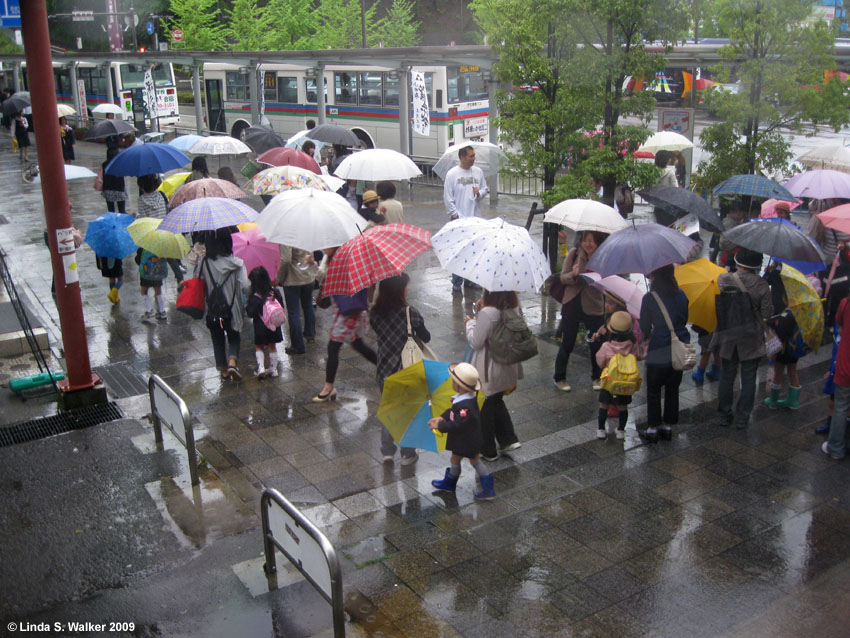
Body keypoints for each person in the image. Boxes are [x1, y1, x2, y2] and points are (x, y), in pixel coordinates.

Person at [370, 273, 430, 465]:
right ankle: (407, 453)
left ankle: (387, 451)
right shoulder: (410, 312)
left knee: (390, 408)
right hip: (407, 369)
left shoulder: (375, 312)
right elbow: (426, 337)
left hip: (385, 369)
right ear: (400, 290)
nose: (407, 289)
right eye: (405, 286)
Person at [711, 248, 773, 429]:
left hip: (728, 334)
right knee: (748, 378)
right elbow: (767, 314)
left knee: (727, 376)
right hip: (751, 337)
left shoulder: (724, 279)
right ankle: (742, 417)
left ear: (738, 262)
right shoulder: (761, 285)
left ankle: (723, 414)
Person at [312, 248, 377, 402]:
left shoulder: (347, 258)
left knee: (333, 347)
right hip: (342, 308)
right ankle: (385, 366)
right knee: (358, 344)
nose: (324, 247)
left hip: (349, 312)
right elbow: (324, 280)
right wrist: (314, 265)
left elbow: (329, 279)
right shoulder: (330, 257)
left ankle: (329, 387)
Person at [464, 290, 522, 461]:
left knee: (484, 406)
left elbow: (476, 341)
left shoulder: (488, 314)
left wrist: (470, 323)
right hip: (507, 366)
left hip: (490, 369)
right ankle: (508, 439)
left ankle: (487, 449)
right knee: (496, 400)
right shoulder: (514, 308)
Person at [429, 362, 496, 500]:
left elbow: (457, 424)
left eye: (454, 381)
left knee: (475, 461)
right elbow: (453, 413)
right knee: (455, 458)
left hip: (467, 441)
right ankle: (450, 483)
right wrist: (441, 418)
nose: (452, 383)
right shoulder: (465, 399)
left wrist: (440, 427)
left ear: (460, 386)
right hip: (464, 439)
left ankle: (488, 489)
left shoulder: (466, 407)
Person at [639, 264, 691, 441]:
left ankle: (653, 428)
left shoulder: (649, 298)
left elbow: (644, 326)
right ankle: (668, 426)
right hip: (679, 345)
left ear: (655, 275)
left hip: (659, 346)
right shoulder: (682, 295)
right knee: (672, 388)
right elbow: (684, 318)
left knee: (653, 389)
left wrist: (647, 335)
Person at [553, 231, 608, 392]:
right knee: (567, 343)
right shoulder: (574, 254)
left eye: (592, 241)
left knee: (595, 343)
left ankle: (597, 377)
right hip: (572, 303)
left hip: (594, 305)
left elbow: (606, 282)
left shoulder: (602, 258)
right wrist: (574, 274)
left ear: (598, 243)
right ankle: (559, 377)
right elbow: (562, 277)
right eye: (586, 240)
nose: (588, 244)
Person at [193, 229, 250, 381]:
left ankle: (223, 371)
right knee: (234, 336)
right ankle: (232, 362)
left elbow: (197, 281)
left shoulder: (205, 263)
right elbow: (245, 285)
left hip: (212, 308)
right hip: (232, 307)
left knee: (217, 337)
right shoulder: (237, 263)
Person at [443, 145, 489, 292]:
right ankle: (457, 281)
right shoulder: (452, 174)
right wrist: (456, 216)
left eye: (474, 155)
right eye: (471, 156)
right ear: (462, 157)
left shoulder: (478, 172)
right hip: (459, 220)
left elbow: (485, 189)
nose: (473, 159)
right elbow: (448, 198)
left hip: (475, 218)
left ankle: (471, 280)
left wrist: (479, 193)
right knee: (459, 252)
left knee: (474, 251)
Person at [595, 310, 642, 440]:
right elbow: (638, 356)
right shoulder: (632, 345)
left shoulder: (606, 346)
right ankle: (621, 430)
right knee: (623, 407)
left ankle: (601, 429)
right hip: (626, 381)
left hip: (608, 381)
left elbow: (600, 361)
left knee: (604, 405)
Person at [763, 264, 804, 410]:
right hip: (793, 350)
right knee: (793, 371)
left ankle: (773, 400)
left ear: (785, 299)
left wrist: (774, 352)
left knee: (778, 373)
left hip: (782, 350)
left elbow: (781, 334)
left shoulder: (786, 315)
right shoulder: (798, 313)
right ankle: (793, 400)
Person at [276, 244, 317, 355]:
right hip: (308, 276)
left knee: (294, 312)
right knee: (308, 305)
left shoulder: (286, 235)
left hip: (293, 279)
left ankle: (298, 345)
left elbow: (286, 259)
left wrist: (278, 278)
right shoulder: (306, 228)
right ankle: (310, 335)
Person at [824, 294, 850, 459]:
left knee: (841, 406)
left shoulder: (846, 303)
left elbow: (840, 328)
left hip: (846, 362)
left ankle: (835, 448)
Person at [246, 266, 284, 379]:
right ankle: (274, 369)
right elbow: (281, 306)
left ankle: (261, 368)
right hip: (274, 326)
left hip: (260, 326)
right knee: (272, 346)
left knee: (259, 346)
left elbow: (250, 313)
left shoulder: (255, 297)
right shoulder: (274, 292)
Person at [135, 247, 169, 323]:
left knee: (144, 291)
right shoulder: (160, 248)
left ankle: (149, 310)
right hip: (157, 273)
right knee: (158, 292)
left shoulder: (142, 248)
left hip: (146, 274)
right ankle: (162, 311)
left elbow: (138, 260)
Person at [101, 147, 127, 214]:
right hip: (119, 189)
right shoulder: (120, 163)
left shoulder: (104, 164)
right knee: (122, 211)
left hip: (108, 189)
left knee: (111, 211)